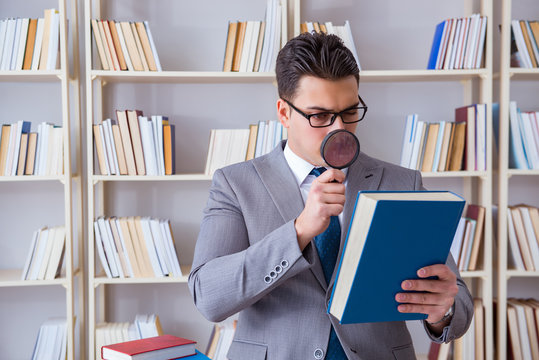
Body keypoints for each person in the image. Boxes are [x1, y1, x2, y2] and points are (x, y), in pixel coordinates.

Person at [188, 32, 473, 360]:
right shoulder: (235, 184)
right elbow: (209, 297)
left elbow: (459, 306)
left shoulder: (402, 182)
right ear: (283, 113)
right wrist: (299, 231)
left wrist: (442, 312)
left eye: (349, 112)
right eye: (319, 116)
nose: (338, 128)